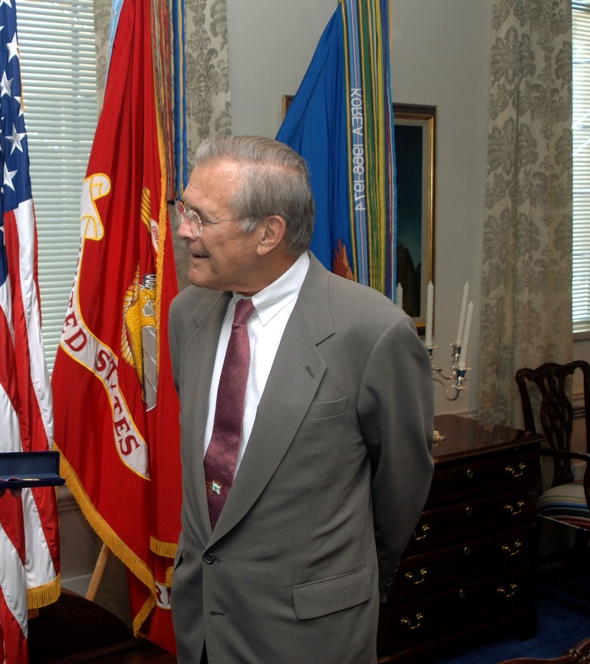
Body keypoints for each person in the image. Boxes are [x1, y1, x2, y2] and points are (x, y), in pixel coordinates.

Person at [168, 135, 435, 663]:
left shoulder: (373, 332)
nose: (183, 230)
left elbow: (401, 488)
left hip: (311, 635)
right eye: (184, 209)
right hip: (201, 627)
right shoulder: (187, 314)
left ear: (269, 233)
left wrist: (350, 582)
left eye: (202, 217)